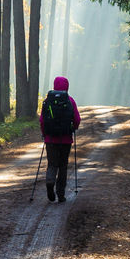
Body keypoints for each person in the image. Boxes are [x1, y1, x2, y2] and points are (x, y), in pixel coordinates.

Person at [39, 75, 80, 203]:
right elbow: (77, 119)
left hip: (50, 139)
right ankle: (61, 194)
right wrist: (73, 128)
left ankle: (50, 181)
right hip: (66, 140)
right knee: (63, 166)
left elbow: (42, 120)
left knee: (52, 164)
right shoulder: (70, 100)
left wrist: (44, 133)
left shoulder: (48, 101)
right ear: (67, 86)